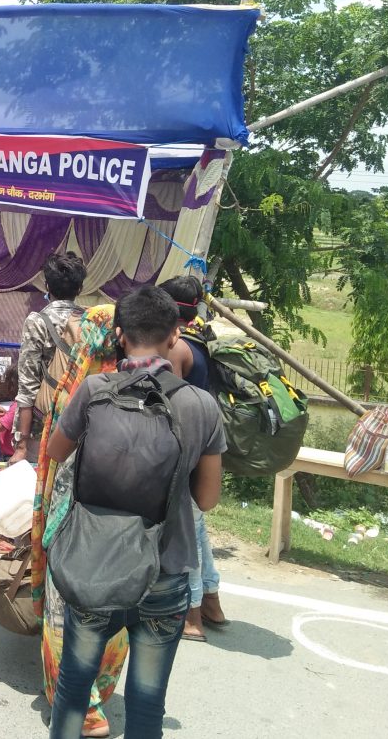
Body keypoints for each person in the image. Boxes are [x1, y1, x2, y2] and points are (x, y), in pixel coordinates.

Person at [45, 286, 225, 739]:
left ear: (120, 335)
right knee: (147, 701)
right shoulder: (201, 405)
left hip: (94, 562)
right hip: (166, 567)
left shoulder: (94, 390)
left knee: (74, 685)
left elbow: (56, 451)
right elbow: (207, 499)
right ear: (175, 335)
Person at [31, 305, 128, 738]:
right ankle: (99, 692)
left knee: (63, 611)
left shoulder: (82, 387)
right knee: (113, 612)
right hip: (125, 528)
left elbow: (55, 454)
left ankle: (83, 709)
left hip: (73, 520)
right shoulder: (143, 389)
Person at [162, 274, 228, 641]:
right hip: (205, 446)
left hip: (185, 449)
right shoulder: (201, 340)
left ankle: (191, 616)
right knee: (198, 530)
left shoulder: (177, 348)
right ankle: (212, 601)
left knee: (185, 534)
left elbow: (168, 400)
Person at [13, 252, 87, 463]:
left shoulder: (37, 321)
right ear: (80, 289)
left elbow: (27, 383)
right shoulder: (90, 321)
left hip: (42, 423)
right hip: (78, 421)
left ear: (47, 286)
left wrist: (22, 444)